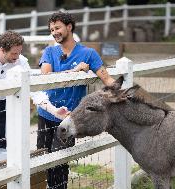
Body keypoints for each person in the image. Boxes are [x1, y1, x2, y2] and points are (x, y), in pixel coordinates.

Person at [37, 11, 115, 189]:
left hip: (70, 118)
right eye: (51, 29)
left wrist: (125, 91)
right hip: (47, 113)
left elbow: (106, 78)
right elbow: (46, 76)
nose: (54, 32)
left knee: (59, 160)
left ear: (69, 27)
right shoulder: (49, 51)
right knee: (41, 158)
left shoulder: (88, 53)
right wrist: (74, 72)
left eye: (57, 28)